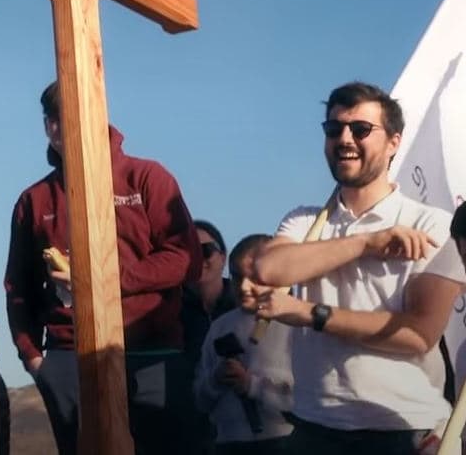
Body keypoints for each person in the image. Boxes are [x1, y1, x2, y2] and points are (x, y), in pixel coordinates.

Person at [252, 81, 466, 454]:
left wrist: (310, 313)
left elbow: (418, 334)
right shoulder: (304, 221)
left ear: (394, 142)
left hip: (400, 429)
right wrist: (366, 243)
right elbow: (270, 269)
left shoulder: (432, 225)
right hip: (312, 428)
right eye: (334, 129)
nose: (345, 138)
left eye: (361, 129)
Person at [3, 81, 203, 455]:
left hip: (151, 351)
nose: (59, 128)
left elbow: (185, 259)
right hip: (68, 358)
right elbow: (18, 287)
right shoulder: (34, 200)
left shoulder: (147, 177)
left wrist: (103, 281)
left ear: (99, 115)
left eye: (69, 116)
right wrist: (32, 356)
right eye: (51, 119)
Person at [192, 234, 294, 454]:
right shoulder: (219, 327)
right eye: (237, 277)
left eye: (255, 277)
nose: (245, 287)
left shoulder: (295, 325)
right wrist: (216, 380)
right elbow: (200, 399)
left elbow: (306, 398)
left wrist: (251, 385)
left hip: (284, 443)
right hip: (229, 443)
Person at [183, 219, 236, 360]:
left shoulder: (242, 303)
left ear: (223, 258)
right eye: (190, 252)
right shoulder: (169, 310)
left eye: (205, 250)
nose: (198, 259)